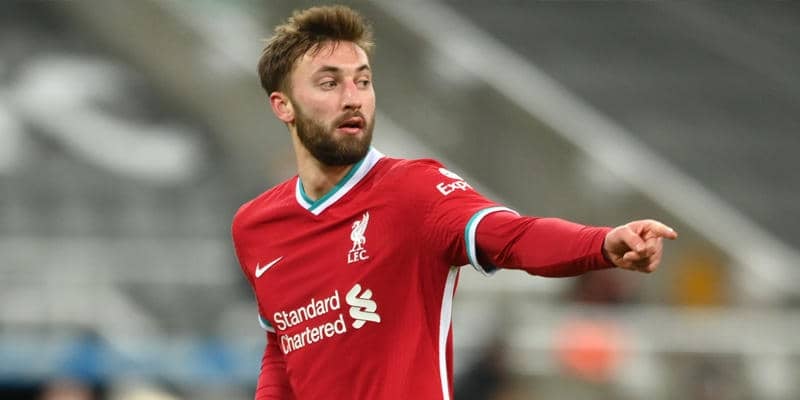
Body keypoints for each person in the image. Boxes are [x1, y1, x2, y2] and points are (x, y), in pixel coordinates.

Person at [231, 5, 677, 400]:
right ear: (283, 106)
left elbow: (511, 237)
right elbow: (282, 348)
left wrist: (602, 243)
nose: (353, 98)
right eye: (329, 83)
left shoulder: (413, 190)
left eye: (363, 81)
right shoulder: (255, 228)